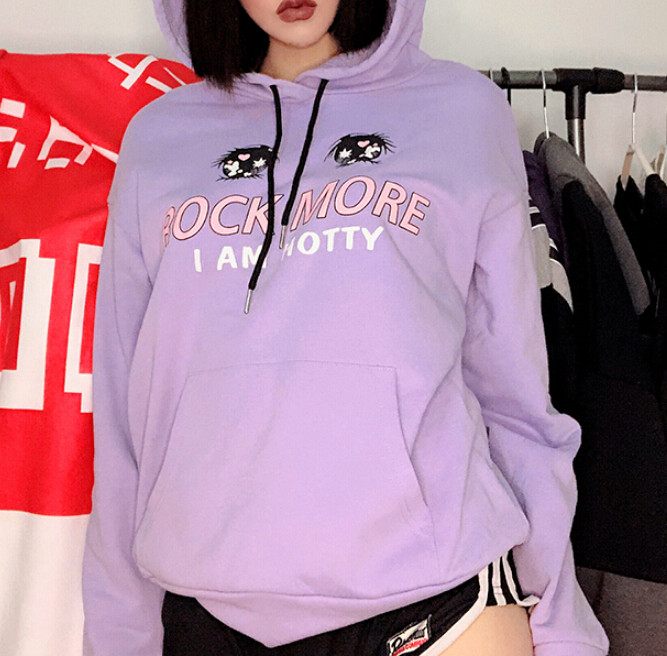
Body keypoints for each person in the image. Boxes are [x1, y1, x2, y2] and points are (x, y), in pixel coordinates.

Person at [82, 1, 610, 655]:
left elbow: (513, 389)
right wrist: (120, 636)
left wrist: (559, 623)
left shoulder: (462, 111)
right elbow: (124, 416)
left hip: (439, 595)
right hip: (212, 605)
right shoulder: (159, 138)